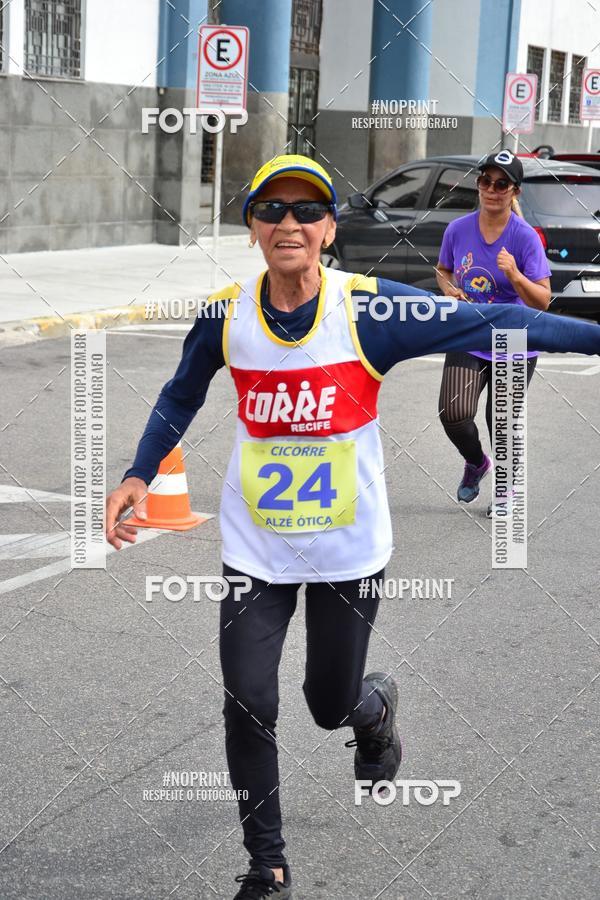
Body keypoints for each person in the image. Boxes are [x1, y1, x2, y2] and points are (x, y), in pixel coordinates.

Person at [105, 154, 600, 899]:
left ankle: (373, 712)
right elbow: (179, 397)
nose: (290, 223)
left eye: (308, 210)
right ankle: (266, 865)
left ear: (331, 228)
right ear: (253, 230)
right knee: (248, 698)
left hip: (348, 551)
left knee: (326, 703)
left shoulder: (371, 310)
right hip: (257, 550)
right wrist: (138, 474)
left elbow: (499, 319)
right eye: (273, 210)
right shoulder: (224, 317)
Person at [435, 150, 551, 516]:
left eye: (501, 184)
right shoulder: (457, 230)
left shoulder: (525, 238)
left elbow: (543, 301)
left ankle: (506, 491)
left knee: (499, 420)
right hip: (470, 331)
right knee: (453, 413)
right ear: (478, 184)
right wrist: (449, 288)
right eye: (486, 181)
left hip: (515, 338)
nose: (492, 189)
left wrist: (516, 275)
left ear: (514, 191)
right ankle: (476, 462)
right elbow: (443, 270)